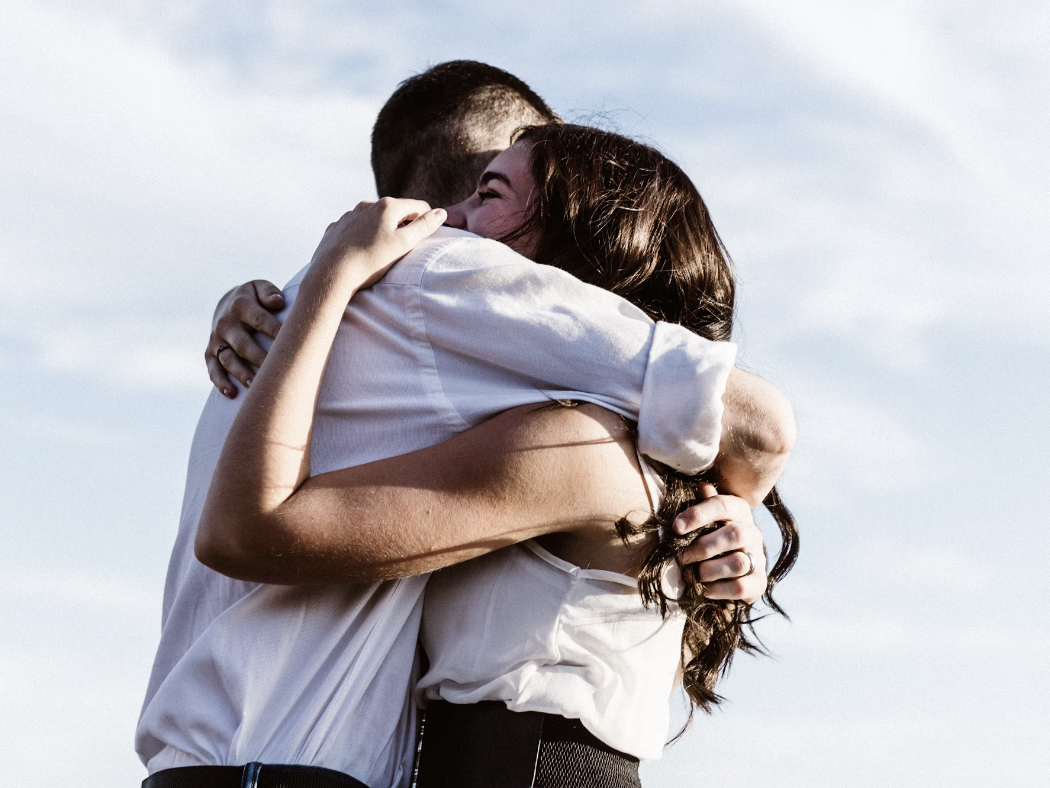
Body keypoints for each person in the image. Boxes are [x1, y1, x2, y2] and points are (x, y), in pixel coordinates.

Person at [135, 61, 792, 788]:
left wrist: (735, 508)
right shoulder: (440, 305)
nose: (457, 230)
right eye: (484, 186)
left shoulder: (583, 445)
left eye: (496, 196)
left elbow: (757, 425)